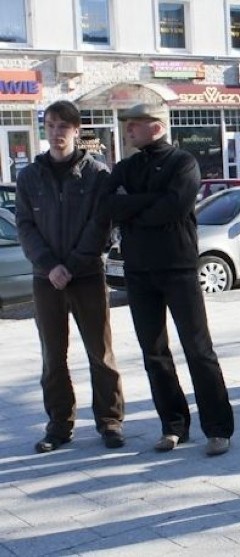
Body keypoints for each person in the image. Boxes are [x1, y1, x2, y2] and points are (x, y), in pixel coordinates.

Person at [101, 103, 234, 456]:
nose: (127, 130)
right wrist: (144, 206)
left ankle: (218, 428)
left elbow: (173, 207)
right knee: (154, 352)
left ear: (156, 127)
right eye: (126, 123)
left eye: (134, 124)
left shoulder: (183, 163)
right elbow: (108, 205)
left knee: (198, 349)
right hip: (139, 270)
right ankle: (174, 425)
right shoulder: (126, 167)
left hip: (178, 267)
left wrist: (133, 208)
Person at [16, 100, 125, 453]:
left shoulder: (97, 175)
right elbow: (25, 226)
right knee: (53, 356)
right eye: (50, 125)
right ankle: (59, 425)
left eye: (64, 126)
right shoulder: (29, 176)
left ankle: (110, 421)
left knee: (100, 353)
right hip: (46, 279)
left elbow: (102, 226)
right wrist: (50, 266)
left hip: (87, 276)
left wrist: (73, 265)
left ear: (77, 131)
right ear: (44, 130)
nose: (56, 132)